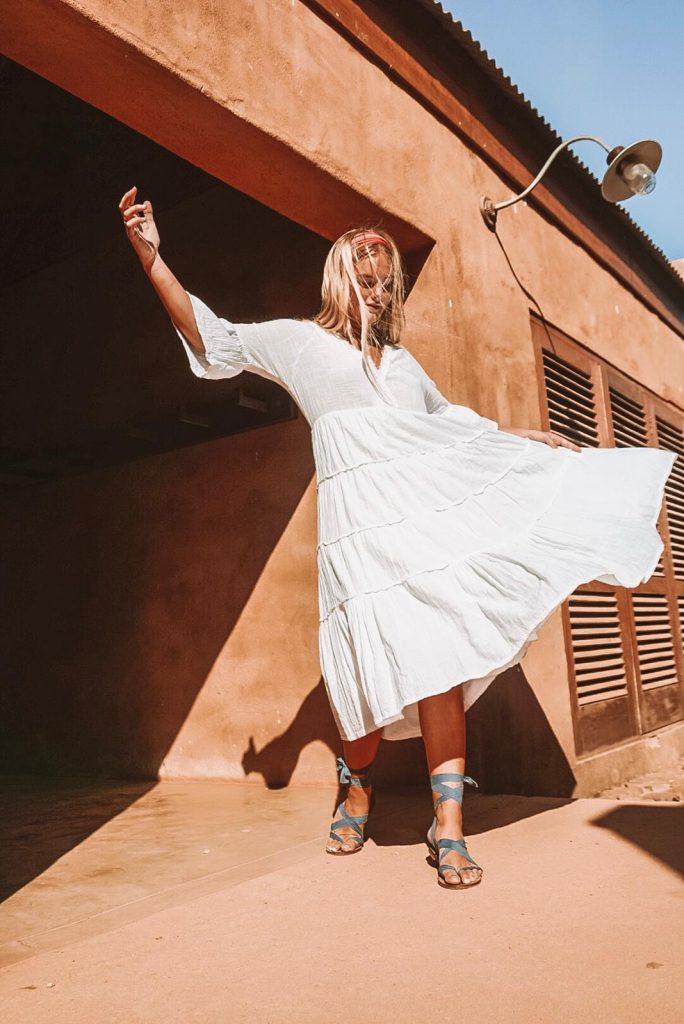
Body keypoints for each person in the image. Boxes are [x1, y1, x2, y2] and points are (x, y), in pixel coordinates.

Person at [119, 186, 677, 890]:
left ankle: (448, 828)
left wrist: (528, 436)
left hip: (421, 529)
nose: (377, 289)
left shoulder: (406, 367)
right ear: (340, 278)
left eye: (386, 281)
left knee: (440, 664)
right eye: (365, 275)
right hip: (356, 539)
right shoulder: (299, 342)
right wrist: (153, 261)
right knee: (364, 682)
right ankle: (358, 790)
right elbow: (214, 337)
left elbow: (456, 427)